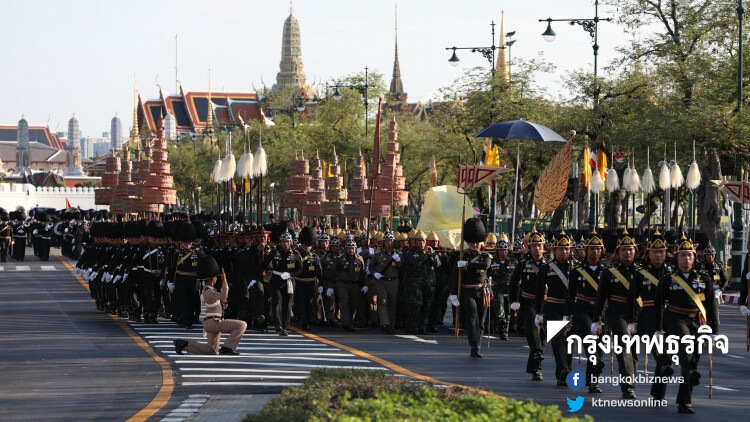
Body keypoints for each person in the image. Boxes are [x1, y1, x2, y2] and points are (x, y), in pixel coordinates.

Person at [655, 234, 719, 414]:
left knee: (692, 363)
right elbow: (659, 306)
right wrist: (658, 328)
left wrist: (713, 331)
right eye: (683, 255)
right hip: (675, 320)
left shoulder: (704, 279)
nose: (687, 258)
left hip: (697, 323)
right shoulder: (668, 279)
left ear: (694, 257)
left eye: (690, 255)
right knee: (686, 347)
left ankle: (684, 402)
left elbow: (711, 307)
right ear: (676, 257)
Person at [627, 229, 673, 400]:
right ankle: (658, 395)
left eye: (661, 252)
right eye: (655, 252)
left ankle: (657, 393)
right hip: (648, 319)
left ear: (666, 253)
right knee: (661, 354)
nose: (659, 255)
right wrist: (631, 321)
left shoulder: (672, 273)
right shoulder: (641, 274)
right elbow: (631, 299)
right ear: (649, 253)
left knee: (667, 357)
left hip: (670, 318)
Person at [594, 230, 639, 399]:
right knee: (624, 345)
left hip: (636, 314)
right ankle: (627, 386)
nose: (627, 253)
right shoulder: (609, 271)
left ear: (635, 252)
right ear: (618, 252)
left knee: (634, 352)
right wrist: (597, 319)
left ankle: (630, 381)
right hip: (616, 313)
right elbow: (600, 297)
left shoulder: (642, 271)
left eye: (630, 249)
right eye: (624, 250)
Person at [174, 255, 247, 355]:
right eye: (216, 277)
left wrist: (224, 302)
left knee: (211, 350)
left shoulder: (209, 290)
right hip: (214, 322)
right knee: (242, 325)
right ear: (213, 279)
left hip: (211, 322)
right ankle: (228, 348)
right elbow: (223, 295)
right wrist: (224, 281)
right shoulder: (208, 290)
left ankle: (184, 344)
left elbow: (221, 299)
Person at [569, 230, 607, 393]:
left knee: (599, 347)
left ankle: (593, 382)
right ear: (586, 250)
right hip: (583, 310)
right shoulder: (578, 270)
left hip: (601, 312)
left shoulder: (607, 270)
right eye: (592, 248)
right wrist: (568, 315)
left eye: (598, 248)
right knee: (590, 343)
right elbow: (571, 295)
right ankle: (596, 366)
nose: (595, 251)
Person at [449, 218, 492, 358]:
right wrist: (454, 294)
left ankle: (477, 344)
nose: (475, 245)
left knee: (481, 320)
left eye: (477, 242)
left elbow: (485, 266)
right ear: (467, 242)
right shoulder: (462, 255)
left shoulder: (486, 256)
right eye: (472, 242)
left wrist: (467, 264)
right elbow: (455, 276)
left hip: (483, 291)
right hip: (468, 291)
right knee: (472, 316)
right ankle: (474, 345)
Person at [536, 232, 574, 386]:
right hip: (553, 307)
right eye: (561, 249)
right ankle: (564, 369)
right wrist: (539, 312)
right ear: (554, 250)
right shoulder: (547, 268)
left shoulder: (576, 267)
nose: (564, 252)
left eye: (566, 249)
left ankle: (564, 372)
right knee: (558, 340)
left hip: (570, 308)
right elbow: (539, 292)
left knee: (569, 341)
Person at [510, 229, 547, 380]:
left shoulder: (550, 265)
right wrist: (513, 301)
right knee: (533, 329)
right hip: (528, 301)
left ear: (544, 247)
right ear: (529, 248)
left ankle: (536, 369)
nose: (537, 248)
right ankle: (537, 352)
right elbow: (513, 284)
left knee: (543, 335)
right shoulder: (523, 265)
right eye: (534, 246)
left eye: (539, 245)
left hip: (544, 303)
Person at [260, 230, 302, 336]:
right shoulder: (275, 252)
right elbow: (264, 263)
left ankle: (285, 326)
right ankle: (277, 325)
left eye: (287, 242)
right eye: (283, 241)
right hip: (276, 279)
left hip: (288, 280)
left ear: (291, 243)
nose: (285, 244)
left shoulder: (295, 254)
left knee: (287, 304)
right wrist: (257, 276)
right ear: (280, 242)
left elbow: (300, 268)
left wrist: (291, 274)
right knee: (277, 301)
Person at [402, 230, 441, 335]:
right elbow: (415, 262)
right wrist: (425, 254)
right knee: (416, 305)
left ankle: (423, 326)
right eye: (419, 241)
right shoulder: (410, 252)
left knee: (427, 306)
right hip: (415, 284)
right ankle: (414, 326)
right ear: (415, 242)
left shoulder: (430, 252)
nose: (422, 243)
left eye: (423, 241)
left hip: (428, 284)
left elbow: (437, 264)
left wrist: (432, 254)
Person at [372, 231, 401, 334]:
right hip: (382, 281)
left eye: (391, 241)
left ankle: (391, 324)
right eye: (387, 241)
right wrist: (374, 273)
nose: (389, 243)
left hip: (394, 281)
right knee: (382, 302)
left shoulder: (398, 254)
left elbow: (404, 268)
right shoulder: (378, 254)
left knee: (392, 303)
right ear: (383, 242)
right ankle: (385, 324)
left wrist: (399, 261)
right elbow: (371, 266)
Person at [335, 239, 366, 331]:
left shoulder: (360, 259)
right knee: (344, 303)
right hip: (343, 284)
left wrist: (365, 285)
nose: (351, 250)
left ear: (355, 249)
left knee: (353, 304)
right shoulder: (341, 259)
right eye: (349, 248)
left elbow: (363, 273)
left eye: (352, 248)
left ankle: (350, 322)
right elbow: (335, 272)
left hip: (355, 285)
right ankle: (345, 322)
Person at [488, 233, 515, 340]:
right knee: (500, 309)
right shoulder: (492, 261)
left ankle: (504, 332)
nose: (503, 252)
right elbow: (488, 275)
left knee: (508, 311)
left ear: (508, 251)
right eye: (500, 250)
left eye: (505, 250)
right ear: (497, 251)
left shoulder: (513, 262)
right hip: (497, 288)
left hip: (509, 289)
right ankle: (500, 322)